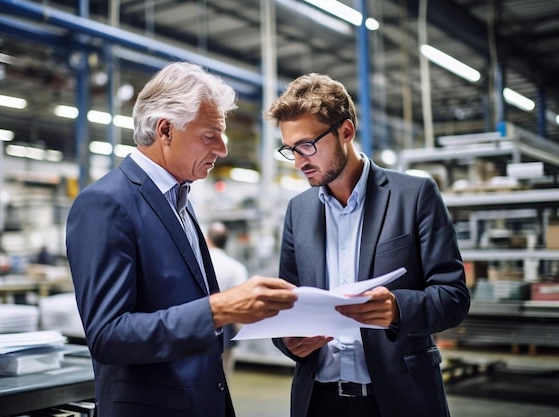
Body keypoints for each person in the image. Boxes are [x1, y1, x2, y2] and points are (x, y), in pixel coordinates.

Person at [66, 62, 297, 417]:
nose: (222, 148)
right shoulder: (106, 203)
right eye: (210, 135)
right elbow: (108, 336)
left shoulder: (179, 202)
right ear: (165, 130)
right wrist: (219, 309)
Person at [265, 73, 470, 417]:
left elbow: (453, 297)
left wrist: (396, 309)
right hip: (319, 401)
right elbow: (288, 304)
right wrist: (288, 342)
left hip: (398, 399)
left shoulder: (414, 195)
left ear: (346, 132)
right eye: (290, 149)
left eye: (307, 146)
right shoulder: (298, 211)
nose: (299, 161)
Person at [206, 221, 249, 384]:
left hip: (197, 326)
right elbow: (242, 302)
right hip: (226, 331)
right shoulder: (236, 267)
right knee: (223, 376)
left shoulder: (197, 262)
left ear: (207, 239)